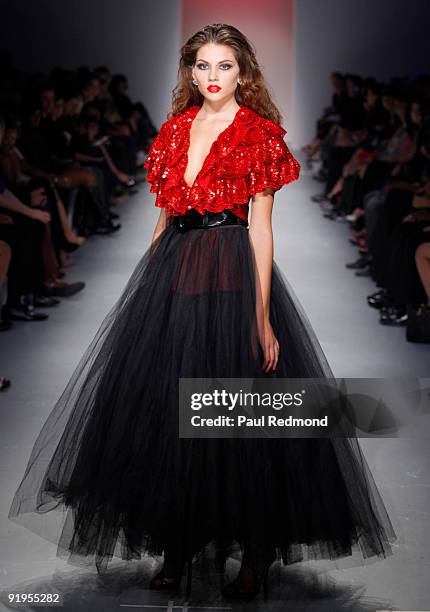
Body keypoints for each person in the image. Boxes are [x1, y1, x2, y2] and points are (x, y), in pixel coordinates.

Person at [8, 24, 396, 602]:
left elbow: (262, 231)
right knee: (167, 409)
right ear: (191, 71)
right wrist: (143, 292)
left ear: (244, 73)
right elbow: (164, 219)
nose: (213, 77)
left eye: (226, 66)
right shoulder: (173, 133)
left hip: (234, 271)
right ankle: (179, 538)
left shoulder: (260, 135)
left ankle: (257, 549)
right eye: (204, 66)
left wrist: (262, 316)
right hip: (176, 271)